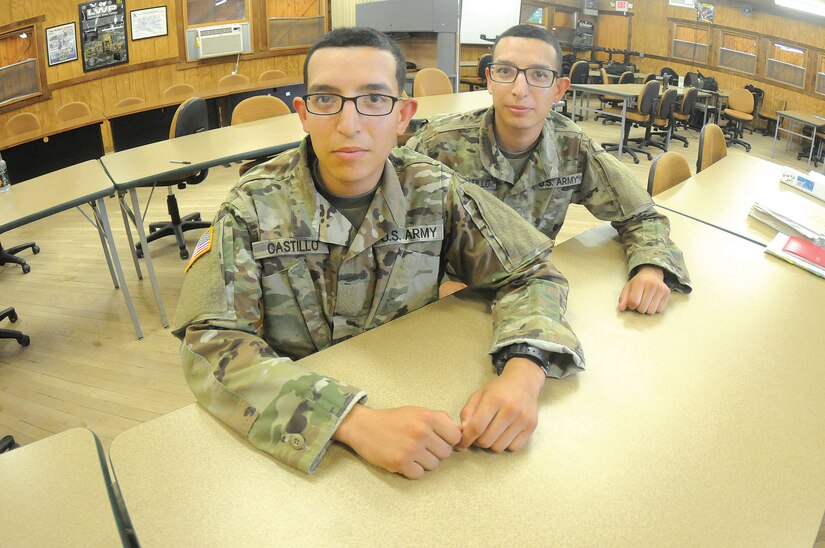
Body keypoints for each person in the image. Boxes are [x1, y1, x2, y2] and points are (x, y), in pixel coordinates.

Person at [173, 27, 584, 480]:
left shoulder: (435, 190)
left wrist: (524, 372)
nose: (349, 124)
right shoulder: (250, 209)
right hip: (301, 453)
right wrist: (352, 422)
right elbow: (210, 346)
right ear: (304, 114)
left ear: (403, 115)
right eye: (327, 100)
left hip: (425, 404)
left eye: (374, 100)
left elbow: (532, 273)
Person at [407, 24, 692, 313]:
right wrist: (437, 283)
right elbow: (388, 232)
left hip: (531, 295)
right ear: (490, 80)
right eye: (506, 72)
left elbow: (640, 214)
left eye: (539, 75)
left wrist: (650, 269)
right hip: (450, 303)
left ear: (559, 89)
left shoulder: (571, 146)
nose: (520, 90)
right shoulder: (437, 145)